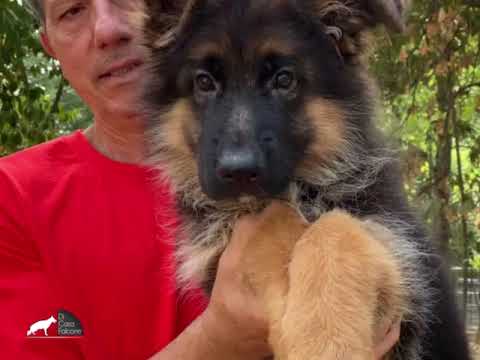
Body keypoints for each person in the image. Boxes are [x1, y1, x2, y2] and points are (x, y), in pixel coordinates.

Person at [0, 0, 401, 359]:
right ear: (49, 45)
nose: (109, 29)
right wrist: (219, 338)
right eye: (72, 11)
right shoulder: (14, 196)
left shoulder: (326, 166)